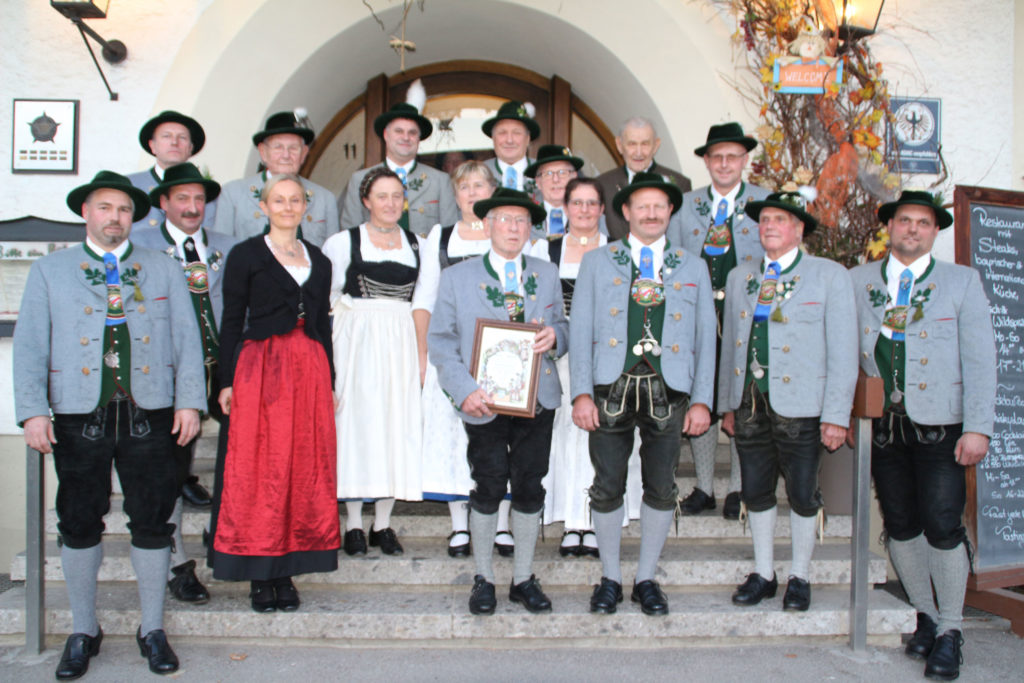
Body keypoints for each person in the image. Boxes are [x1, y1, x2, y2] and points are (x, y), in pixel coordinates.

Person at [14, 171, 205, 677]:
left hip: (152, 412)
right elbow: (31, 345)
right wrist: (33, 410)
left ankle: (151, 628)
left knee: (152, 519)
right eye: (105, 208)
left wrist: (189, 402)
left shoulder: (162, 269)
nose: (115, 217)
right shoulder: (50, 271)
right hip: (79, 414)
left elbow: (187, 340)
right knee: (78, 521)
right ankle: (83, 629)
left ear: (134, 217)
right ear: (86, 213)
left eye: (123, 209)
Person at [849, 191, 996, 681]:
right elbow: (844, 353)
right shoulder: (859, 281)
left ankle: (952, 630)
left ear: (935, 232)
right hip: (884, 428)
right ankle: (926, 615)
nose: (912, 229)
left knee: (942, 524)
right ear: (889, 228)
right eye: (904, 221)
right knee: (902, 523)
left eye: (923, 223)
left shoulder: (961, 282)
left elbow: (980, 360)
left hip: (943, 427)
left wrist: (978, 427)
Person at [570, 172, 716, 616]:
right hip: (609, 386)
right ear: (626, 213)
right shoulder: (597, 262)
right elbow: (580, 332)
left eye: (660, 206)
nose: (651, 213)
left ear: (671, 212)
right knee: (608, 484)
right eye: (642, 206)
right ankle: (611, 577)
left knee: (661, 485)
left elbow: (706, 337)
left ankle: (646, 577)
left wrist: (703, 400)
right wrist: (580, 392)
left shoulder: (693, 267)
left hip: (668, 391)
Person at [428, 188, 568, 615]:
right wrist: (464, 390)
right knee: (488, 485)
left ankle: (523, 577)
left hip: (537, 400)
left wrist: (555, 338)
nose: (513, 228)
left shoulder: (546, 272)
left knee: (529, 487)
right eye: (505, 220)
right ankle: (484, 578)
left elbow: (563, 325)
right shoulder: (457, 276)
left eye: (522, 221)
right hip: (484, 402)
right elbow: (441, 341)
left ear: (531, 229)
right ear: (487, 225)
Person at [719, 191, 857, 612]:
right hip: (751, 404)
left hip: (804, 406)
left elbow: (844, 350)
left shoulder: (829, 276)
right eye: (764, 220)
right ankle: (764, 572)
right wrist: (729, 402)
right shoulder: (740, 277)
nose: (770, 226)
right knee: (756, 491)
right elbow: (731, 347)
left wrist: (836, 415)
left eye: (780, 219)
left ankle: (800, 575)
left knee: (801, 492)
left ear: (799, 229)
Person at [209, 173, 339, 614]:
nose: (287, 207)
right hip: (261, 367)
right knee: (260, 468)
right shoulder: (245, 255)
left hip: (309, 369)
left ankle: (285, 571)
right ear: (262, 208)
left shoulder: (319, 260)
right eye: (278, 200)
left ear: (306, 207)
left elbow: (323, 324)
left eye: (295, 200)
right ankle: (258, 575)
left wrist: (331, 382)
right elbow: (231, 320)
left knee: (300, 468)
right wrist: (225, 381)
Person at [133, 162, 237, 606]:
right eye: (182, 199)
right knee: (170, 468)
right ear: (163, 203)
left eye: (199, 200)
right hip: (171, 370)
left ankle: (228, 531)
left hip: (225, 366)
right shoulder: (141, 250)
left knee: (240, 456)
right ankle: (177, 562)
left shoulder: (231, 247)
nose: (192, 208)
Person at [416, 161, 520, 558]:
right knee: (452, 437)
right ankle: (460, 524)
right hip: (454, 353)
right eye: (465, 187)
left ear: (493, 191)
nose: (472, 192)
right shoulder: (439, 237)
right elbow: (424, 299)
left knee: (505, 436)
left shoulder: (511, 232)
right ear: (455, 195)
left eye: (480, 185)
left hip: (502, 354)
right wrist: (424, 354)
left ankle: (502, 523)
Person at [324, 167, 429, 557]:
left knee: (395, 425)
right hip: (357, 341)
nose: (390, 203)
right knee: (357, 427)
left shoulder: (417, 244)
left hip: (401, 340)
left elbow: (423, 301)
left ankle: (382, 523)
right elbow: (327, 296)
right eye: (381, 196)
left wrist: (420, 352)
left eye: (397, 196)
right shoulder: (342, 242)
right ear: (366, 201)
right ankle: (352, 523)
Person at [669, 122, 770, 520]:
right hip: (698, 315)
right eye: (717, 157)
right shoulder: (684, 204)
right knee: (704, 398)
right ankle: (705, 487)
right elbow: (673, 261)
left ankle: (740, 489)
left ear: (745, 160)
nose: (725, 164)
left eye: (733, 156)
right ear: (707, 162)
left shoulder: (764, 203)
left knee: (741, 399)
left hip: (746, 317)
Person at [538, 178, 643, 558]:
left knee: (605, 438)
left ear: (603, 210)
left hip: (607, 358)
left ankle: (598, 518)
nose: (583, 210)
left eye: (591, 203)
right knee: (565, 437)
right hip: (559, 355)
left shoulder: (619, 252)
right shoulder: (545, 250)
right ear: (565, 207)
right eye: (576, 202)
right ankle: (571, 520)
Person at [340, 80, 458, 239]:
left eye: (412, 132)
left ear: (419, 138)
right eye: (399, 131)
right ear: (386, 135)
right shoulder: (359, 179)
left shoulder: (440, 180)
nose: (406, 138)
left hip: (425, 262)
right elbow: (350, 235)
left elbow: (448, 236)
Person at [214, 111, 340, 246]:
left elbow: (332, 256)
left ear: (304, 154)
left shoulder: (324, 199)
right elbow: (221, 250)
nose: (286, 155)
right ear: (263, 152)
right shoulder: (233, 194)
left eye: (293, 148)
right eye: (278, 147)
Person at [595, 117, 692, 240]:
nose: (639, 152)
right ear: (619, 145)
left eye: (645, 144)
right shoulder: (602, 184)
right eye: (632, 144)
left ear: (656, 145)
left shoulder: (680, 183)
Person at [126, 110, 216, 230]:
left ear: (190, 148)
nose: (174, 142)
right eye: (166, 136)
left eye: (182, 137)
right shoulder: (130, 186)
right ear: (152, 146)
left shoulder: (209, 192)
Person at [481, 100, 542, 202]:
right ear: (493, 138)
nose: (509, 140)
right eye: (502, 132)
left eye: (517, 133)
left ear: (527, 139)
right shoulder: (479, 173)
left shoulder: (544, 172)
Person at [524, 144, 582, 243]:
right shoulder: (524, 217)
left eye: (563, 172)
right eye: (548, 173)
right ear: (538, 181)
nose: (556, 180)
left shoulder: (592, 215)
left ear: (574, 177)